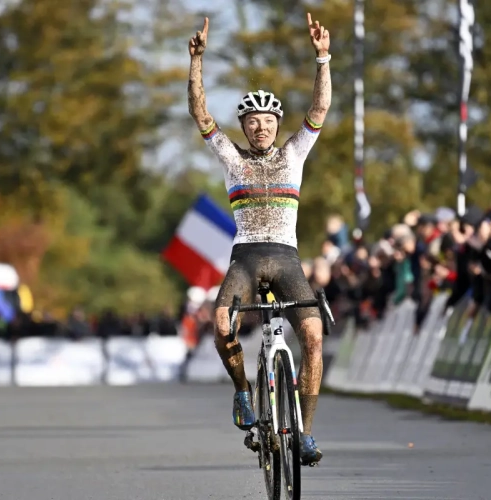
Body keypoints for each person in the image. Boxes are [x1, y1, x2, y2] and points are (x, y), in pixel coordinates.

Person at [187, 13, 331, 465]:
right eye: (252, 121)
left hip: (287, 258)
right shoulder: (232, 159)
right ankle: (243, 392)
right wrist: (197, 61)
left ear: (276, 122)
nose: (260, 127)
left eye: (267, 120)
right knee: (222, 322)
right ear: (245, 127)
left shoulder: (294, 153)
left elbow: (320, 110)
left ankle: (305, 433)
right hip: (246, 258)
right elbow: (200, 113)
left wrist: (322, 57)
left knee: (311, 334)